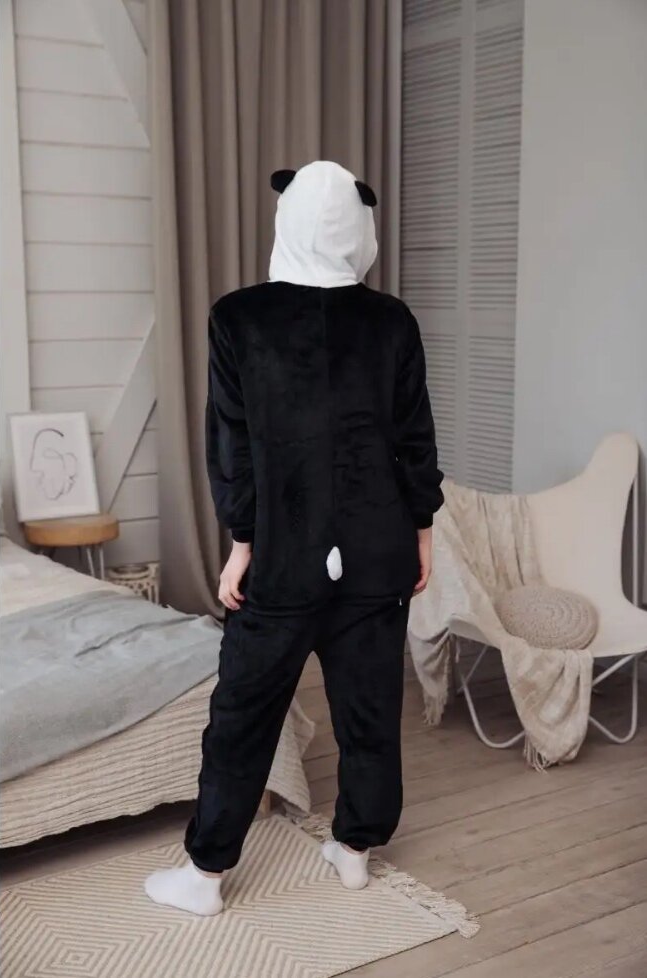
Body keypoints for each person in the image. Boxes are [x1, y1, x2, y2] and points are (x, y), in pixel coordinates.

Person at [144, 160, 443, 916]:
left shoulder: (237, 318)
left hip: (282, 553)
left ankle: (205, 875)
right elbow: (413, 438)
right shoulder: (392, 321)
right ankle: (354, 850)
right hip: (377, 548)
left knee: (243, 713)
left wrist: (243, 543)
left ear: (289, 220)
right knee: (369, 708)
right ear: (359, 227)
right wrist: (422, 530)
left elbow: (232, 447)